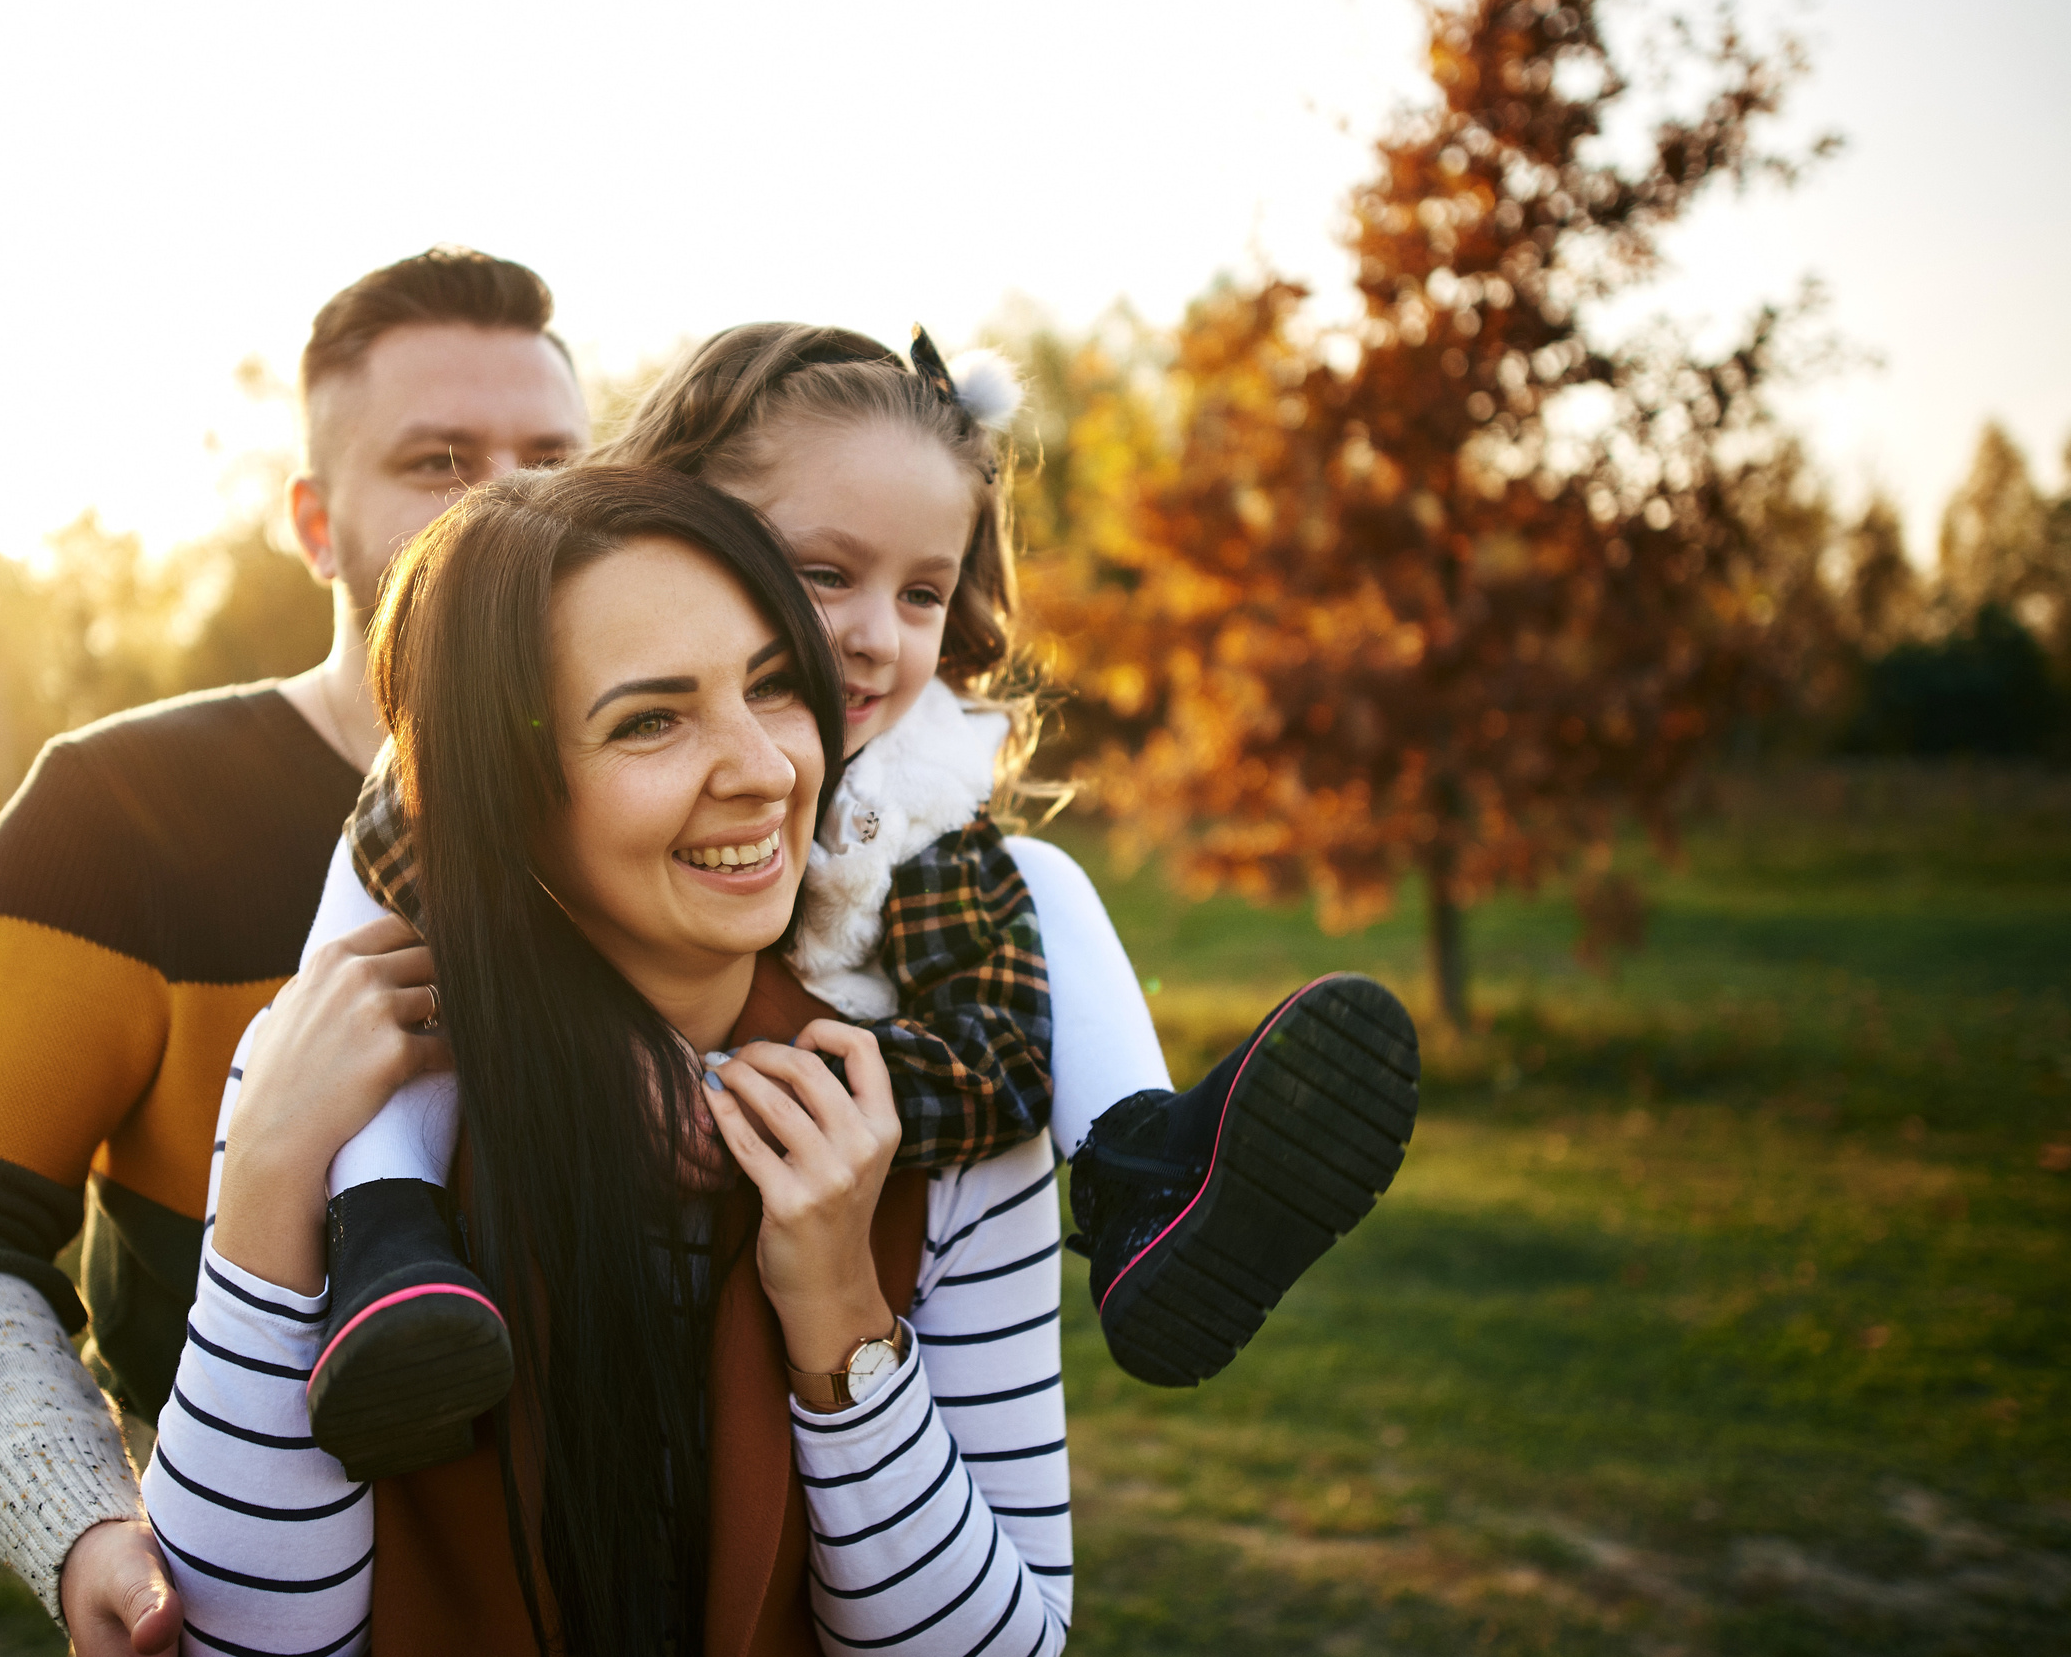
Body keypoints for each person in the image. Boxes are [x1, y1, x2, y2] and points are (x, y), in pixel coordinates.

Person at [296, 322, 1422, 1485]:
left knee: (1052, 880)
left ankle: (1146, 1183)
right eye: (824, 572)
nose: (875, 636)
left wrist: (777, 1096)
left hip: (806, 1235)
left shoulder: (920, 813)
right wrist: (585, 1035)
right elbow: (415, 884)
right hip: (515, 1129)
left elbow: (996, 1054)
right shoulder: (547, 711)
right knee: (377, 983)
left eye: (924, 591)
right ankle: (386, 1241)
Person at [143, 465, 1074, 1657]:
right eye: (650, 718)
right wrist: (269, 1173)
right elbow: (245, 1656)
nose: (764, 768)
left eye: (775, 685)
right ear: (503, 791)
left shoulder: (942, 1102)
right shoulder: (344, 1088)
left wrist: (840, 1310)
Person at [0, 247, 589, 1657]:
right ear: (315, 524)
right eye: (438, 460)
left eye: (553, 457)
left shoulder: (692, 814)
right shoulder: (114, 813)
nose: (511, 504)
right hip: (268, 1609)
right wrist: (79, 1523)